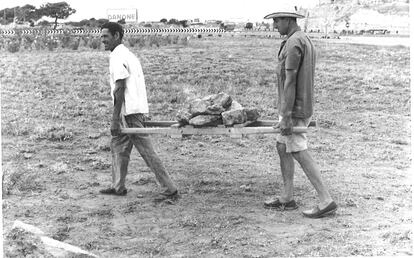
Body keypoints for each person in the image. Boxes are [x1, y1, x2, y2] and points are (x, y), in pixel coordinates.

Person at [263, 7, 337, 218]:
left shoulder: (295, 42)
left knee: (296, 149)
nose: (274, 25)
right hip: (292, 106)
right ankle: (287, 196)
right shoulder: (300, 38)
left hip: (294, 108)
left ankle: (326, 200)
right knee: (282, 146)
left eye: (277, 20)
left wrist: (286, 116)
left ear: (288, 19)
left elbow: (291, 80)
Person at [99, 22, 178, 200]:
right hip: (132, 109)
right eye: (102, 36)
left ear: (117, 36)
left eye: (106, 36)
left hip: (129, 112)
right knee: (118, 147)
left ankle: (169, 188)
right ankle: (118, 186)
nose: (102, 40)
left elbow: (119, 87)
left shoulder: (118, 57)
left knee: (147, 151)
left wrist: (114, 118)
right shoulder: (128, 55)